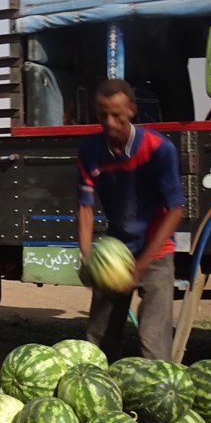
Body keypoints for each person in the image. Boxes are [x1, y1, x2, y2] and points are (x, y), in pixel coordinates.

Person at [76, 79, 185, 362]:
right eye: (103, 115)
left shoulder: (160, 149)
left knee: (152, 343)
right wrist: (87, 256)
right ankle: (102, 396)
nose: (110, 123)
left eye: (117, 115)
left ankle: (156, 397)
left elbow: (175, 211)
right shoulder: (89, 150)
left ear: (132, 111)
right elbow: (85, 207)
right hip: (117, 250)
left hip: (156, 254)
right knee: (99, 338)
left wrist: (141, 266)